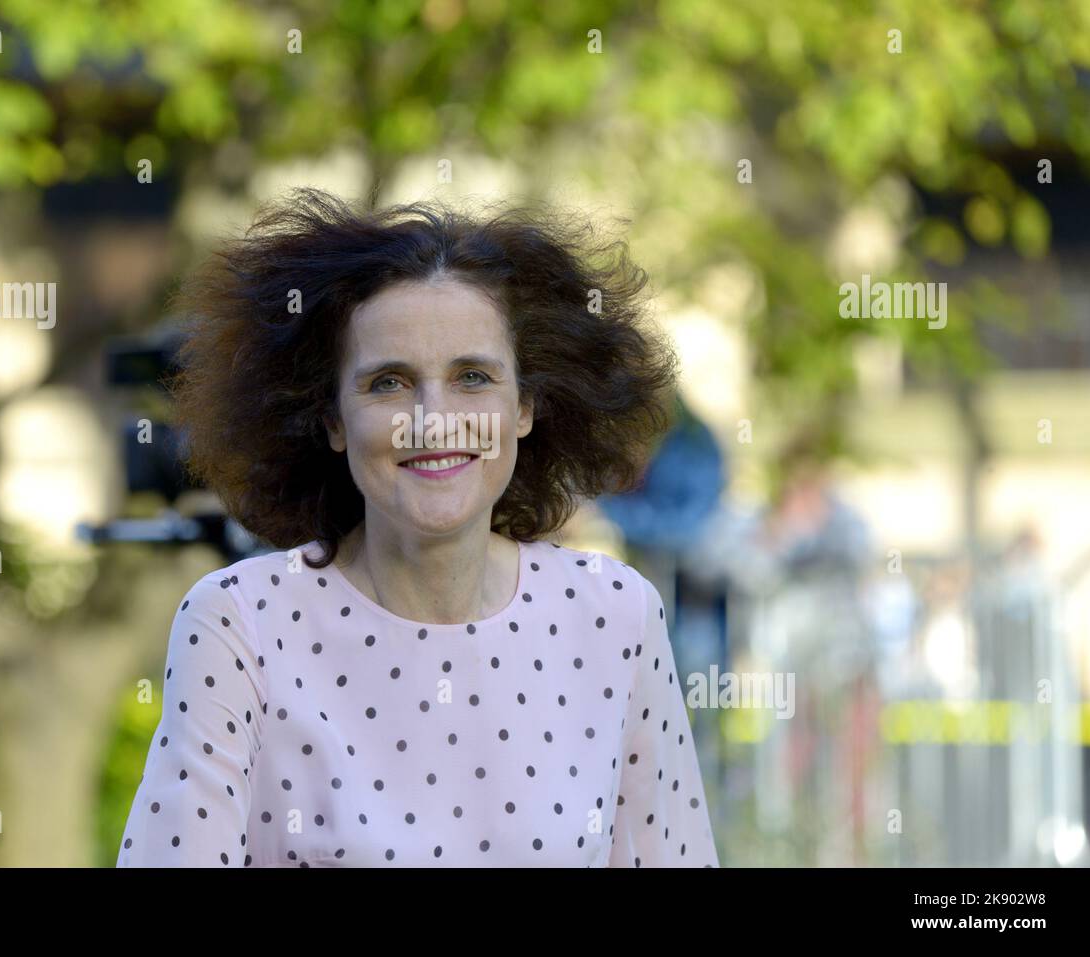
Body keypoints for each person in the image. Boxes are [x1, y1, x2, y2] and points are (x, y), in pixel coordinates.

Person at [116, 187, 719, 867]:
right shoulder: (240, 623)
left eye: (472, 377)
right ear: (333, 420)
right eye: (389, 383)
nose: (433, 420)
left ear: (525, 407)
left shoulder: (617, 617)